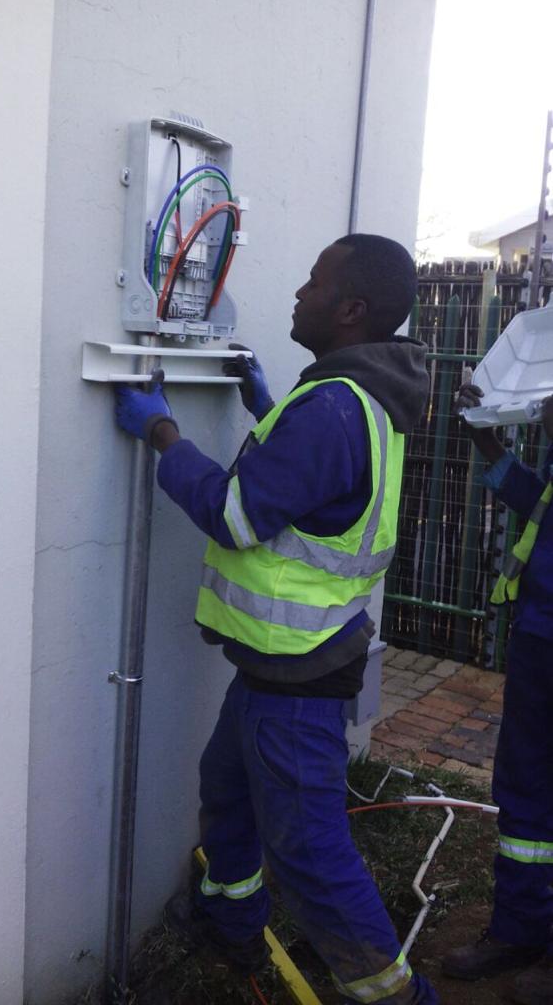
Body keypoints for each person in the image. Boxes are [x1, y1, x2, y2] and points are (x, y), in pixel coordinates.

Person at [115, 233, 438, 1005]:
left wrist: (162, 433)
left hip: (297, 676)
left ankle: (397, 996)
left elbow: (236, 516)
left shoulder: (332, 407)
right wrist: (265, 406)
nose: (298, 292)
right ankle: (231, 922)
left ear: (351, 310)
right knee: (226, 788)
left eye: (313, 282)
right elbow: (321, 481)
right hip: (288, 659)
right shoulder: (352, 395)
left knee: (311, 857)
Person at [443, 385, 553, 1005]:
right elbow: (542, 503)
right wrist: (487, 440)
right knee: (524, 789)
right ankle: (519, 929)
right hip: (540, 638)